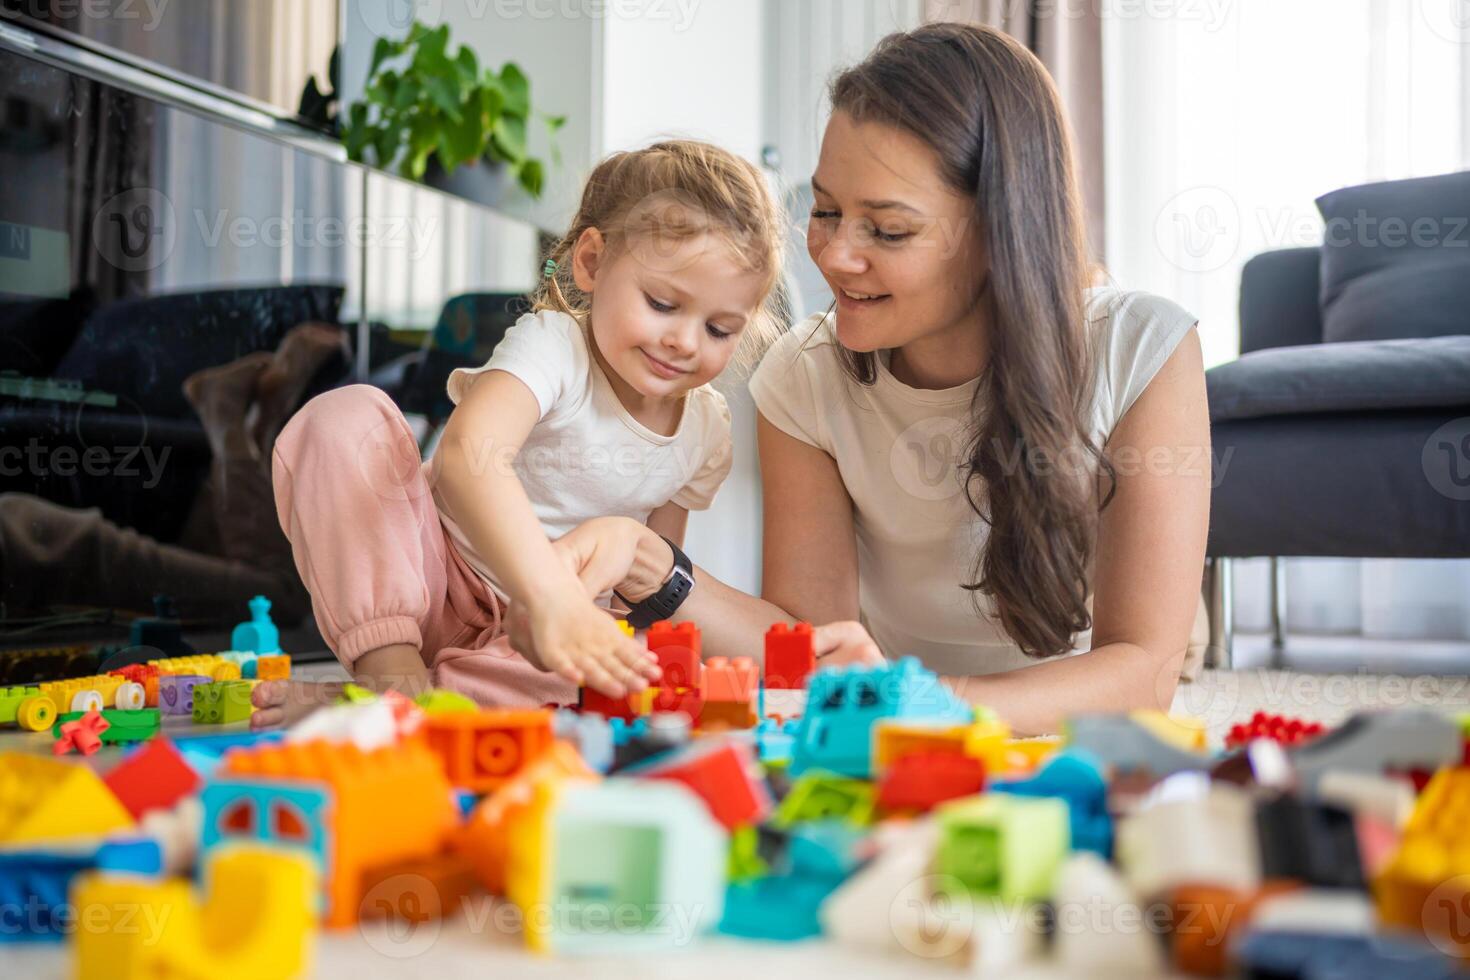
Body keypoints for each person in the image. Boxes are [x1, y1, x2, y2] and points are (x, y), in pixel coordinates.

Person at [523, 23, 1212, 736]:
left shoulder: (1141, 349)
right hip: (896, 714)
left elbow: (1143, 671)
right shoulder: (804, 375)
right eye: (824, 212)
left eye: (886, 231)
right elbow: (808, 639)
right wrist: (648, 561)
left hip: (1050, 727)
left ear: (998, 232)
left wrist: (928, 700)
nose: (834, 255)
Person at [251, 140, 788, 727]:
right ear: (591, 263)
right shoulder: (554, 344)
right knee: (346, 419)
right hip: (433, 578)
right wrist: (545, 592)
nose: (685, 342)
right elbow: (465, 458)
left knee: (622, 670)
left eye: (718, 328)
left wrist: (584, 630)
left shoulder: (706, 430)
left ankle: (400, 706)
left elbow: (645, 591)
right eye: (662, 303)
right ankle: (392, 676)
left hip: (534, 643)